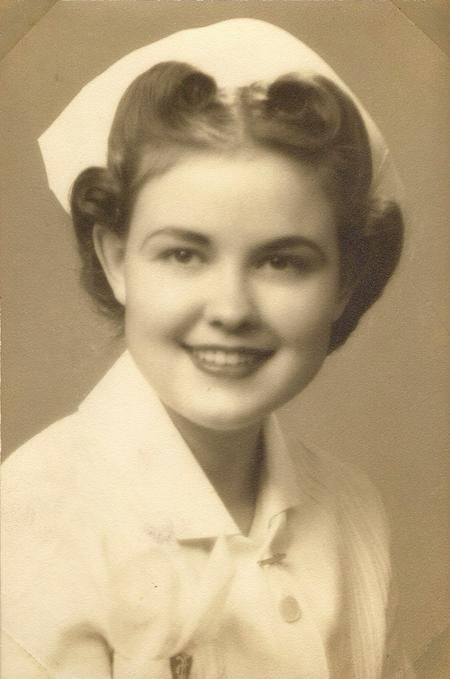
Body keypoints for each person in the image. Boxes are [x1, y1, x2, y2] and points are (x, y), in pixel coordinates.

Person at [1, 18, 415, 679]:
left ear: (344, 282)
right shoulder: (35, 523)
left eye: (281, 261)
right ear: (116, 260)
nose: (230, 308)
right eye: (184, 254)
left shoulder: (352, 510)